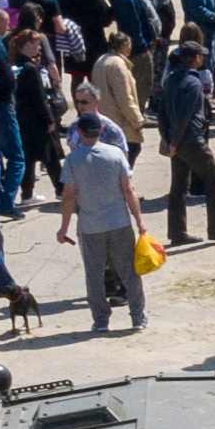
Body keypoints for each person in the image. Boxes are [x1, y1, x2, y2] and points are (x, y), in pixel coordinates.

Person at [63, 112, 145, 333]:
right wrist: (139, 221)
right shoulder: (116, 154)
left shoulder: (72, 160)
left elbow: (69, 195)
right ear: (100, 131)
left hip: (90, 227)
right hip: (119, 222)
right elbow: (129, 190)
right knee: (129, 271)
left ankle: (101, 321)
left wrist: (63, 227)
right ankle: (138, 317)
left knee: (94, 275)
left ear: (80, 133)